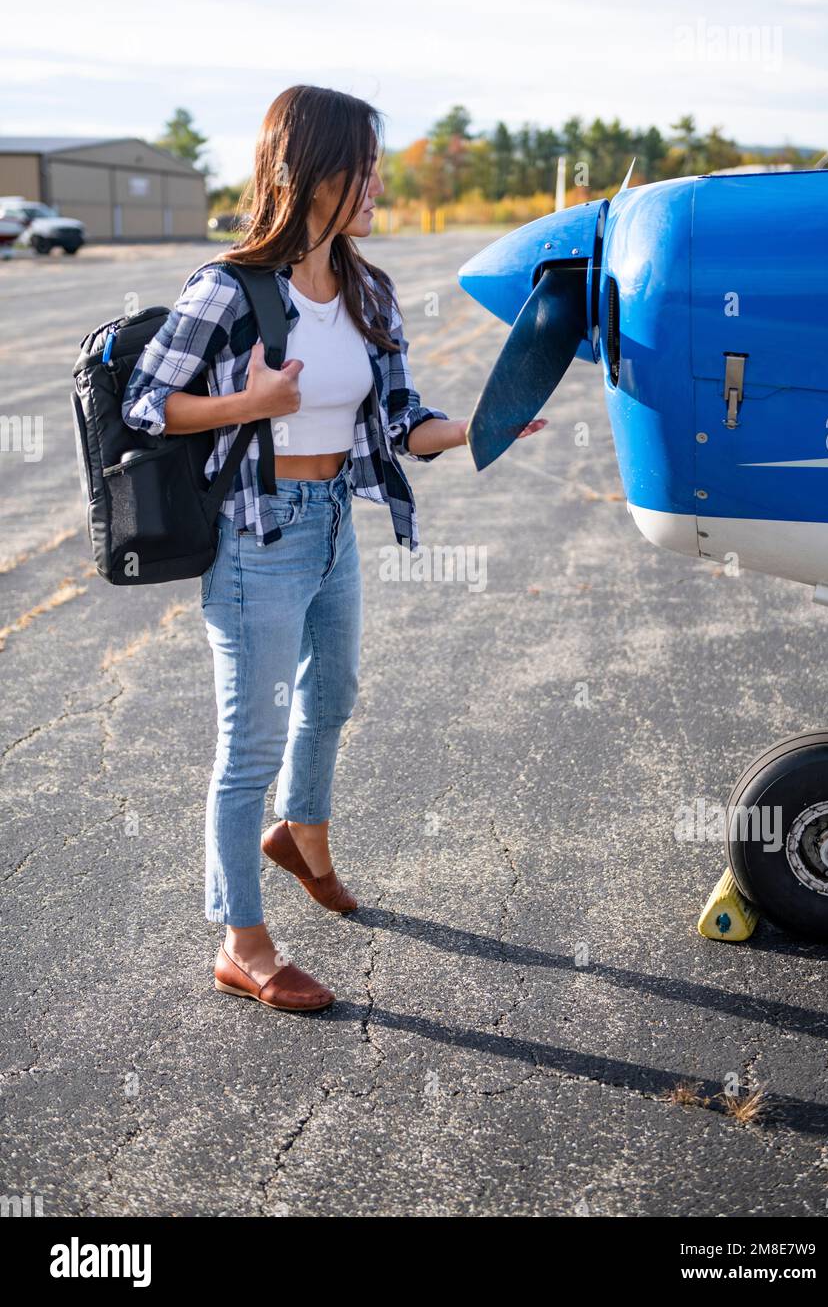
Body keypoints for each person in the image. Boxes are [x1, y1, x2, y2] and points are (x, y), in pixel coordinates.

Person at [122, 85, 546, 1013]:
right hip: (255, 539)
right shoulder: (229, 288)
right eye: (364, 166)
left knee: (336, 697)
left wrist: (481, 429)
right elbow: (145, 405)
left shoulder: (367, 288)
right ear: (311, 171)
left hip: (331, 529)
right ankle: (242, 940)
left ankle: (302, 834)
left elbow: (399, 419)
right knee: (248, 747)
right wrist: (247, 405)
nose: (377, 185)